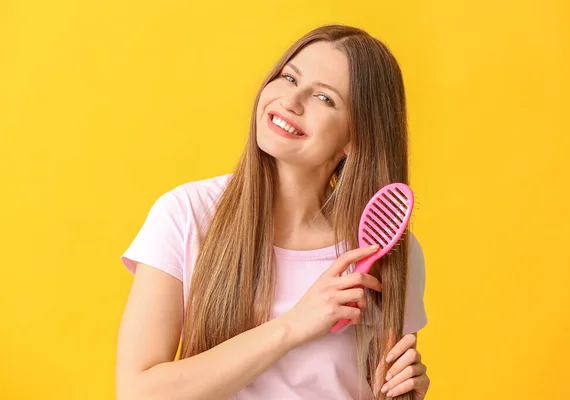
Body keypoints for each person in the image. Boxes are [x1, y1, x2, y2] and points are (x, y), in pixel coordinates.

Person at [116, 24, 430, 400]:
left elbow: (378, 382)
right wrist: (294, 326)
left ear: (356, 136)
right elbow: (138, 393)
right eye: (289, 77)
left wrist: (402, 390)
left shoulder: (387, 248)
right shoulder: (186, 214)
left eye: (324, 99)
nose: (290, 101)